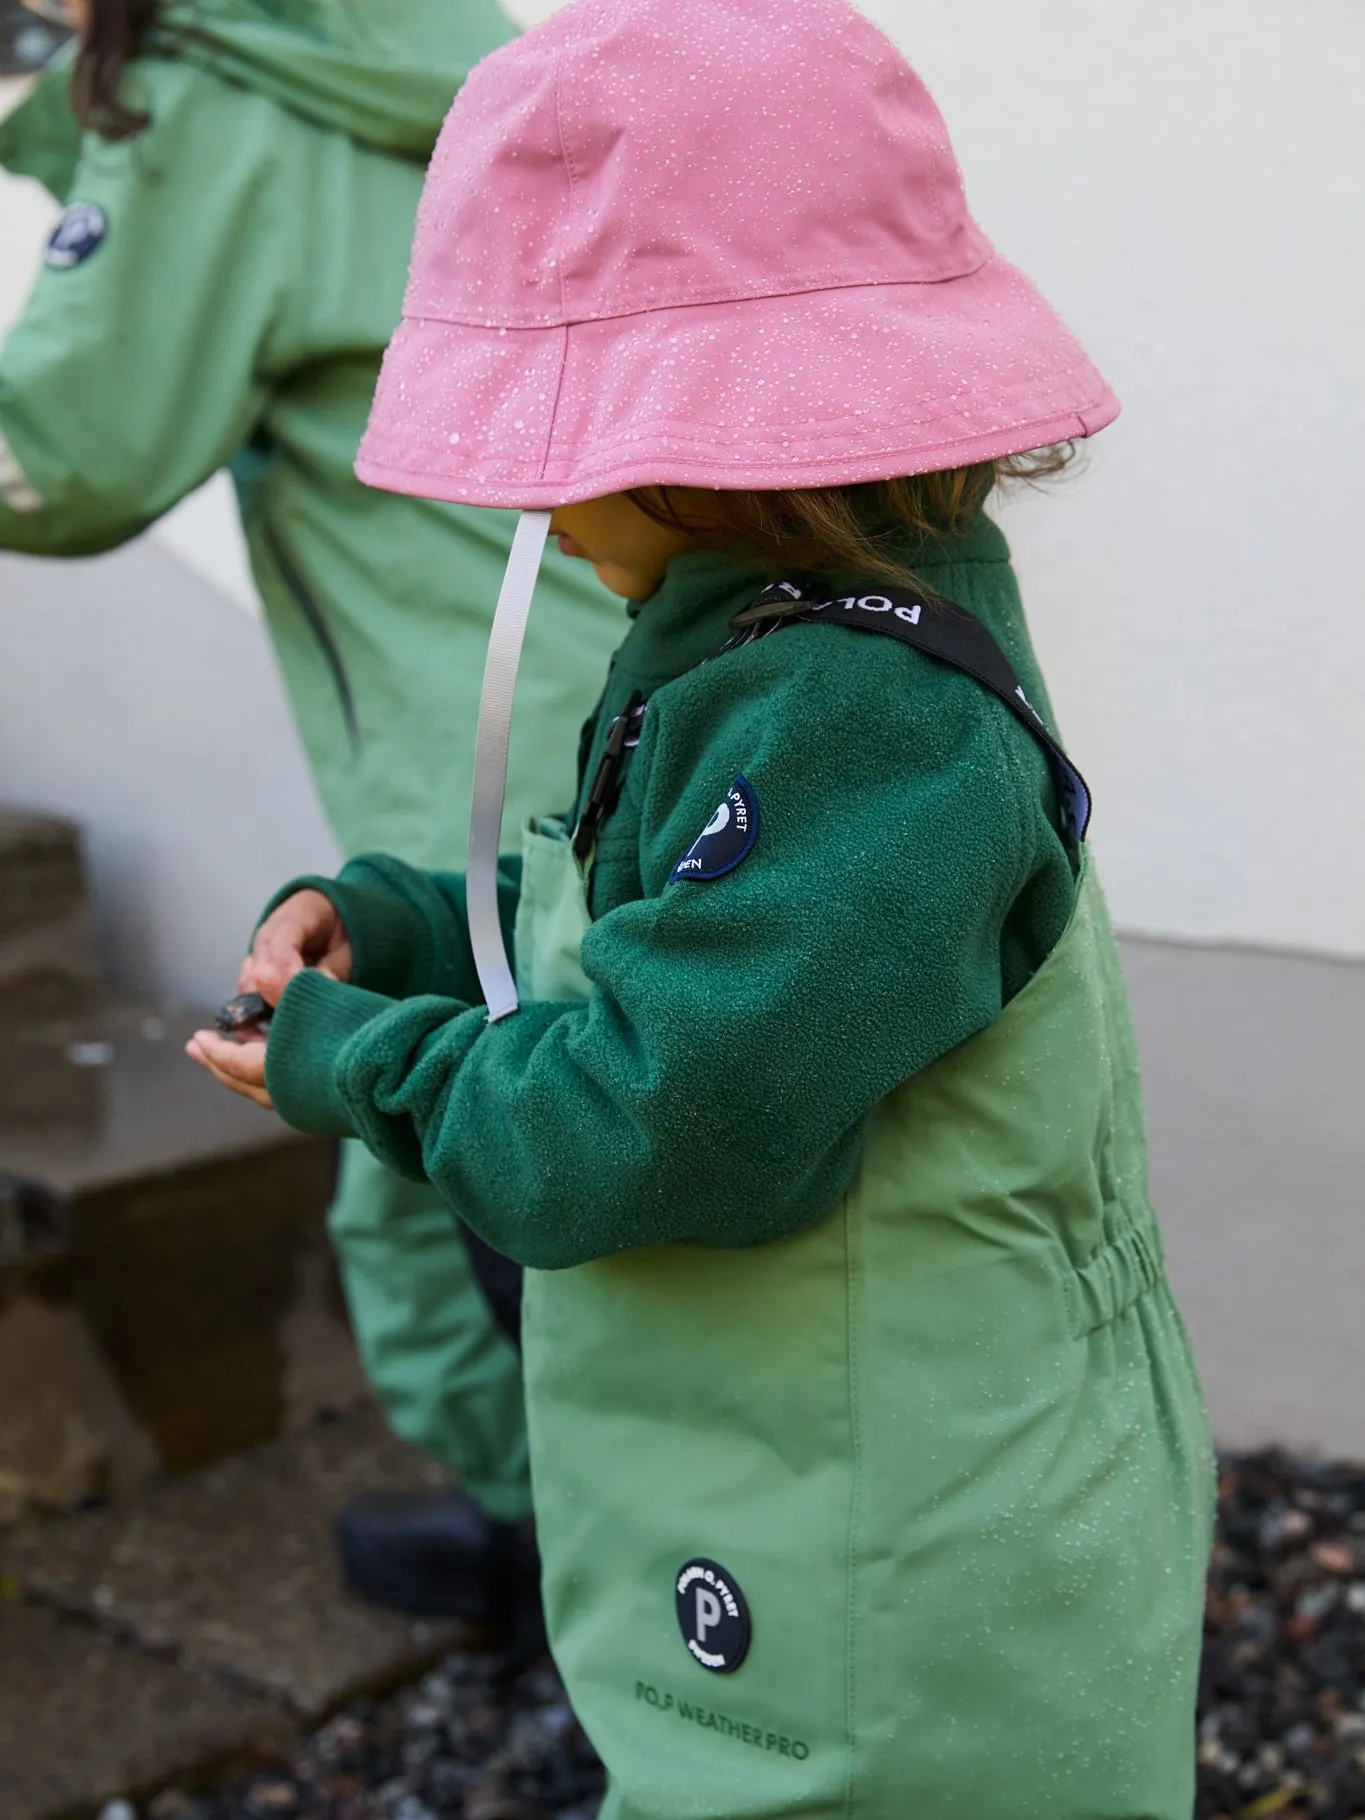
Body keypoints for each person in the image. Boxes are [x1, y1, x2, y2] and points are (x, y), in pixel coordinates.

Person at [189, 0, 1216, 1811]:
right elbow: (666, 937)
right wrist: (417, 924)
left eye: (568, 424)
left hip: (899, 1606)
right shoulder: (769, 655)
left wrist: (363, 1062)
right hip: (814, 1511)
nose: (532, 486)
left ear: (740, 441)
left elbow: (643, 1116)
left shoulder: (866, 724)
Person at [0, 0, 624, 1628]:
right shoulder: (414, 55)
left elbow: (66, 455)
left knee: (490, 1203)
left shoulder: (214, 111)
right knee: (468, 1192)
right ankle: (547, 1549)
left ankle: (605, 1611)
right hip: (621, 690)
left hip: (469, 758)